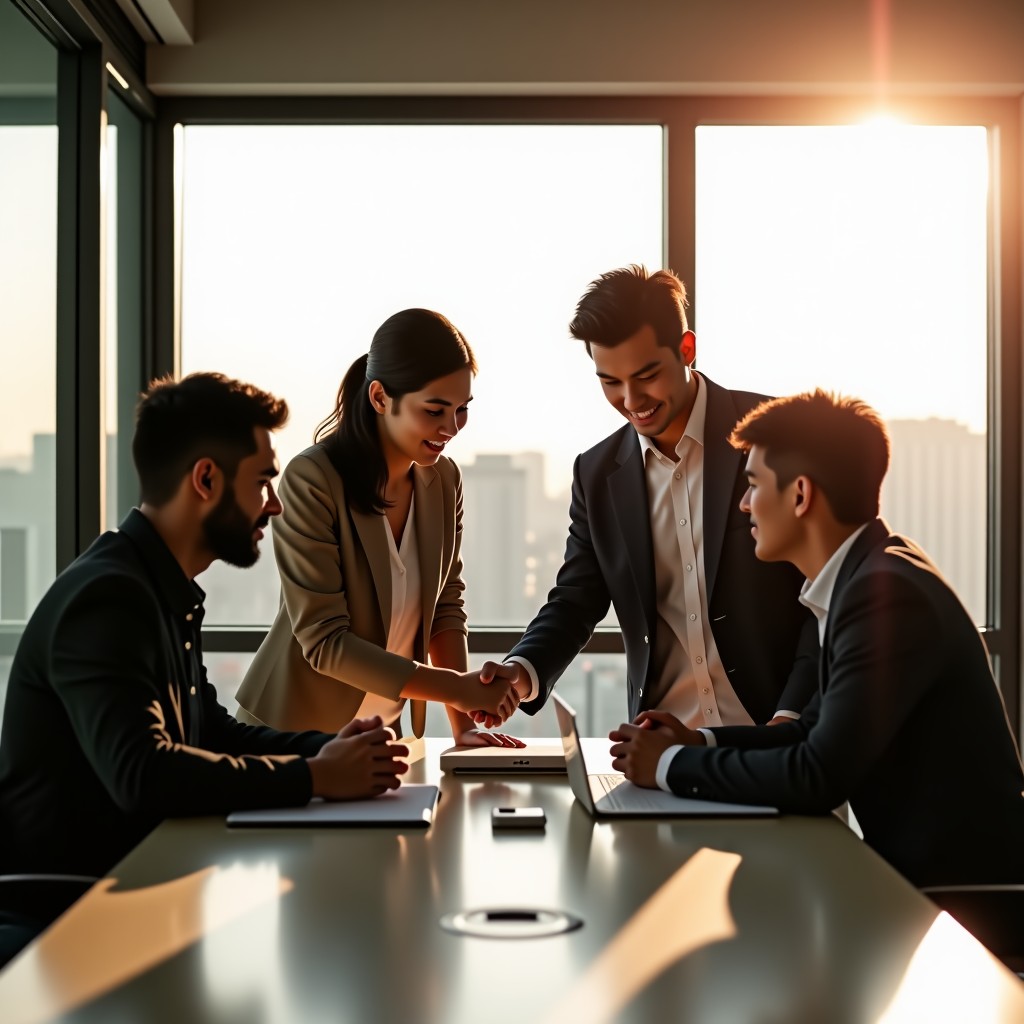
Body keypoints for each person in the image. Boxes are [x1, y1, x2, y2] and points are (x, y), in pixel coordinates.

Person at [0, 373, 410, 957]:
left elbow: (215, 733)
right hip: (72, 919)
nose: (274, 503)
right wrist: (318, 777)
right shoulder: (109, 600)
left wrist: (330, 750)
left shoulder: (156, 589)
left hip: (142, 891)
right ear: (207, 479)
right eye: (264, 481)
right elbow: (143, 773)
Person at [609, 389, 1024, 887]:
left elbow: (817, 774)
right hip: (921, 883)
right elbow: (809, 731)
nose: (743, 505)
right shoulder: (867, 576)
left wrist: (671, 766)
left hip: (967, 896)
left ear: (801, 495)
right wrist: (696, 740)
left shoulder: (885, 596)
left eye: (754, 485)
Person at [482, 266, 818, 732]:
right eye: (609, 382)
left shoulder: (776, 434)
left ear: (687, 349)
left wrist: (792, 715)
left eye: (646, 375)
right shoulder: (596, 473)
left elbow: (824, 594)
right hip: (659, 753)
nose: (631, 399)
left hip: (779, 741)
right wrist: (520, 674)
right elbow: (576, 599)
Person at [235, 308, 522, 746]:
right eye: (434, 410)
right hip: (290, 736)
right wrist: (456, 688)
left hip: (381, 738)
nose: (451, 428)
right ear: (380, 398)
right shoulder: (313, 479)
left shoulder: (443, 481)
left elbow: (443, 606)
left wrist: (464, 725)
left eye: (462, 410)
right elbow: (325, 642)